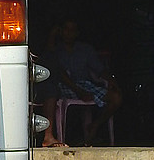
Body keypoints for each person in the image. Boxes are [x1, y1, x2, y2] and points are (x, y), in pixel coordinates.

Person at [40, 18, 122, 146]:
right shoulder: (56, 50)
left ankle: (94, 125)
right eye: (66, 29)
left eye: (72, 30)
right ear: (61, 32)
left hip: (85, 84)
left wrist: (112, 80)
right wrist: (52, 35)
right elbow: (55, 69)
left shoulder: (85, 49)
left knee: (116, 97)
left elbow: (99, 69)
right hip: (64, 86)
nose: (69, 33)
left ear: (77, 33)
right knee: (56, 83)